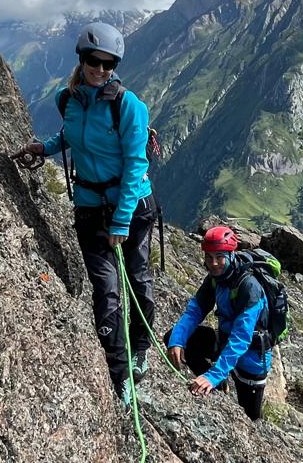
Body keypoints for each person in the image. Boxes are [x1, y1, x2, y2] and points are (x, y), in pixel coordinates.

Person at [14, 22, 157, 404]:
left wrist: (123, 220)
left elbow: (135, 164)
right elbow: (70, 137)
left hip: (131, 207)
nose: (101, 68)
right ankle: (118, 371)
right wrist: (42, 149)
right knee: (107, 289)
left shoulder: (127, 105)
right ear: (82, 58)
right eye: (94, 60)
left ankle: (140, 348)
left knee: (137, 278)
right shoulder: (70, 99)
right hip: (91, 207)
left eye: (109, 63)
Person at [166, 226, 272, 420]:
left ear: (231, 254)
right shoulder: (216, 278)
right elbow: (194, 311)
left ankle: (214, 378)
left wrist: (213, 374)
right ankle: (217, 385)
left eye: (219, 257)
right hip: (224, 341)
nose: (213, 263)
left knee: (250, 418)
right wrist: (177, 340)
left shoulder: (250, 287)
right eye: (209, 257)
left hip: (251, 358)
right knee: (176, 339)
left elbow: (241, 337)